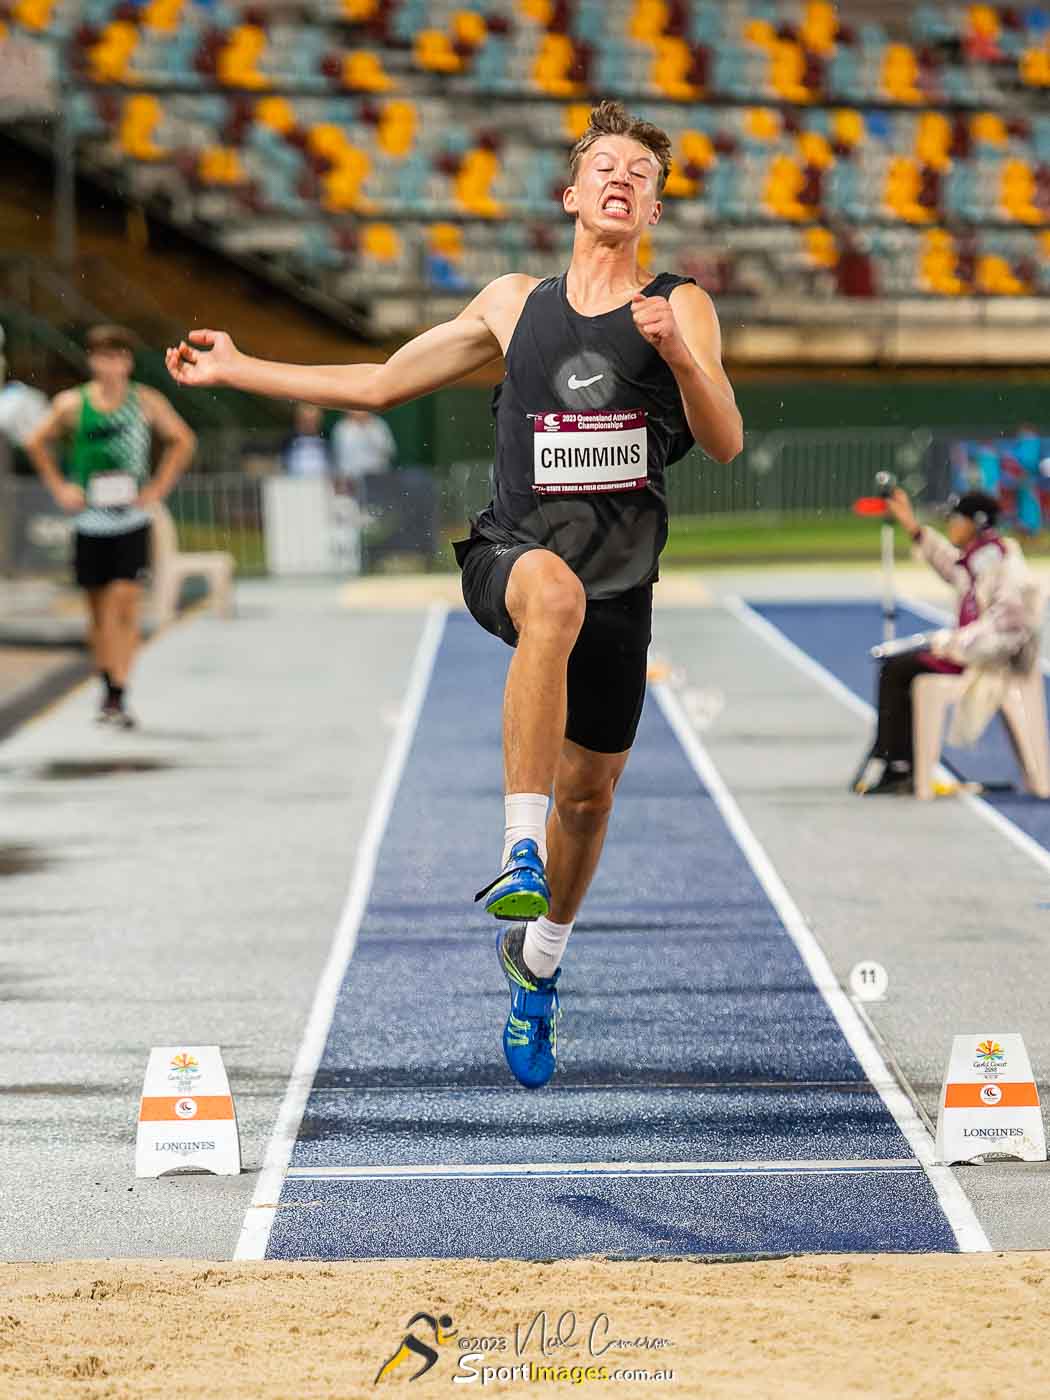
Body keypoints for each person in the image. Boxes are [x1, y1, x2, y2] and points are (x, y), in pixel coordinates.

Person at [165, 100, 742, 1089]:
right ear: (571, 194)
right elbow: (383, 382)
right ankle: (518, 852)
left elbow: (725, 441)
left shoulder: (679, 304)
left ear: (653, 203)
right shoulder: (514, 303)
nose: (620, 179)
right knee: (549, 596)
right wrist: (239, 365)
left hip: (622, 578)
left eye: (639, 173)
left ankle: (539, 964)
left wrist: (681, 354)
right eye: (604, 165)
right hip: (515, 552)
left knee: (592, 795)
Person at [25, 324, 196, 727]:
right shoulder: (72, 404)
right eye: (103, 356)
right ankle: (107, 685)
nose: (111, 365)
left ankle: (120, 690)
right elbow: (35, 442)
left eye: (118, 356)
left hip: (132, 517)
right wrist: (60, 486)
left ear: (128, 362)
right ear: (91, 361)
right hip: (89, 520)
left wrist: (157, 488)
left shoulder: (144, 402)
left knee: (125, 601)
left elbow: (183, 440)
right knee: (99, 613)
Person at [864, 488, 1041, 795]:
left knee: (898, 669)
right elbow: (947, 562)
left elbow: (1007, 623)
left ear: (978, 522)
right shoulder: (975, 558)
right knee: (895, 666)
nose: (951, 526)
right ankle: (899, 761)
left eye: (956, 520)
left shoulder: (1002, 562)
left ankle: (900, 765)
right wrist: (912, 525)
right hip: (972, 652)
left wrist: (954, 645)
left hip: (993, 661)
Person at [281, 402, 332, 477]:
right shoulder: (286, 443)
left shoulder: (328, 443)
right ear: (297, 420)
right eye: (305, 420)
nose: (309, 425)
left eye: (312, 421)